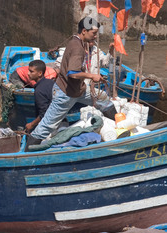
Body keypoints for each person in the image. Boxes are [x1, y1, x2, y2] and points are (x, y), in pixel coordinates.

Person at [27, 17, 116, 147]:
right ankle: (27, 153)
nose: (95, 36)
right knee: (46, 127)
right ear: (84, 31)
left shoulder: (76, 41)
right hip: (65, 94)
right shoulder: (77, 48)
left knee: (102, 97)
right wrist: (92, 76)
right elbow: (72, 73)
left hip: (78, 90)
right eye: (94, 33)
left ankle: (118, 126)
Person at [24, 60, 55, 133]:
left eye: (31, 72)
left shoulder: (39, 91)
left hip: (50, 122)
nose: (28, 74)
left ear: (40, 73)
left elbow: (44, 113)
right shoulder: (51, 82)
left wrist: (31, 124)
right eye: (28, 71)